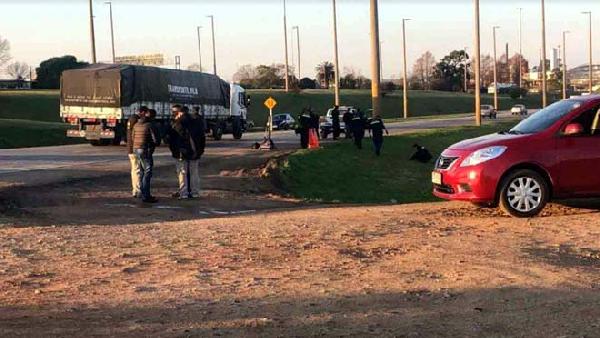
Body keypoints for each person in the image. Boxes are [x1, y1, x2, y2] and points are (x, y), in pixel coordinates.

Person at [164, 105, 196, 199]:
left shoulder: (178, 123)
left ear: (180, 112)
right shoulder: (192, 121)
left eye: (175, 112)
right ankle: (191, 191)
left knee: (182, 172)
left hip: (180, 151)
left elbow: (173, 137)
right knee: (189, 172)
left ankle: (183, 192)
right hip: (188, 149)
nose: (173, 114)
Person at [132, 108, 161, 203]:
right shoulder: (150, 125)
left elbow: (132, 137)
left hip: (136, 149)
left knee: (141, 171)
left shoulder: (136, 125)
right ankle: (146, 195)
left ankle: (141, 192)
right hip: (145, 149)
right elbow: (156, 140)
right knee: (147, 172)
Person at [126, 106, 147, 198]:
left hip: (131, 148)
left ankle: (136, 190)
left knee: (135, 170)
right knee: (138, 170)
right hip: (135, 148)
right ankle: (138, 190)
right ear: (142, 112)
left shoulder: (131, 119)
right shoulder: (137, 120)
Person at [189, 106, 207, 198]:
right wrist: (201, 150)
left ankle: (186, 191)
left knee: (185, 173)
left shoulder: (189, 121)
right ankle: (195, 191)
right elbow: (203, 137)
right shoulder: (201, 121)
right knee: (194, 172)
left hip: (188, 150)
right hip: (196, 149)